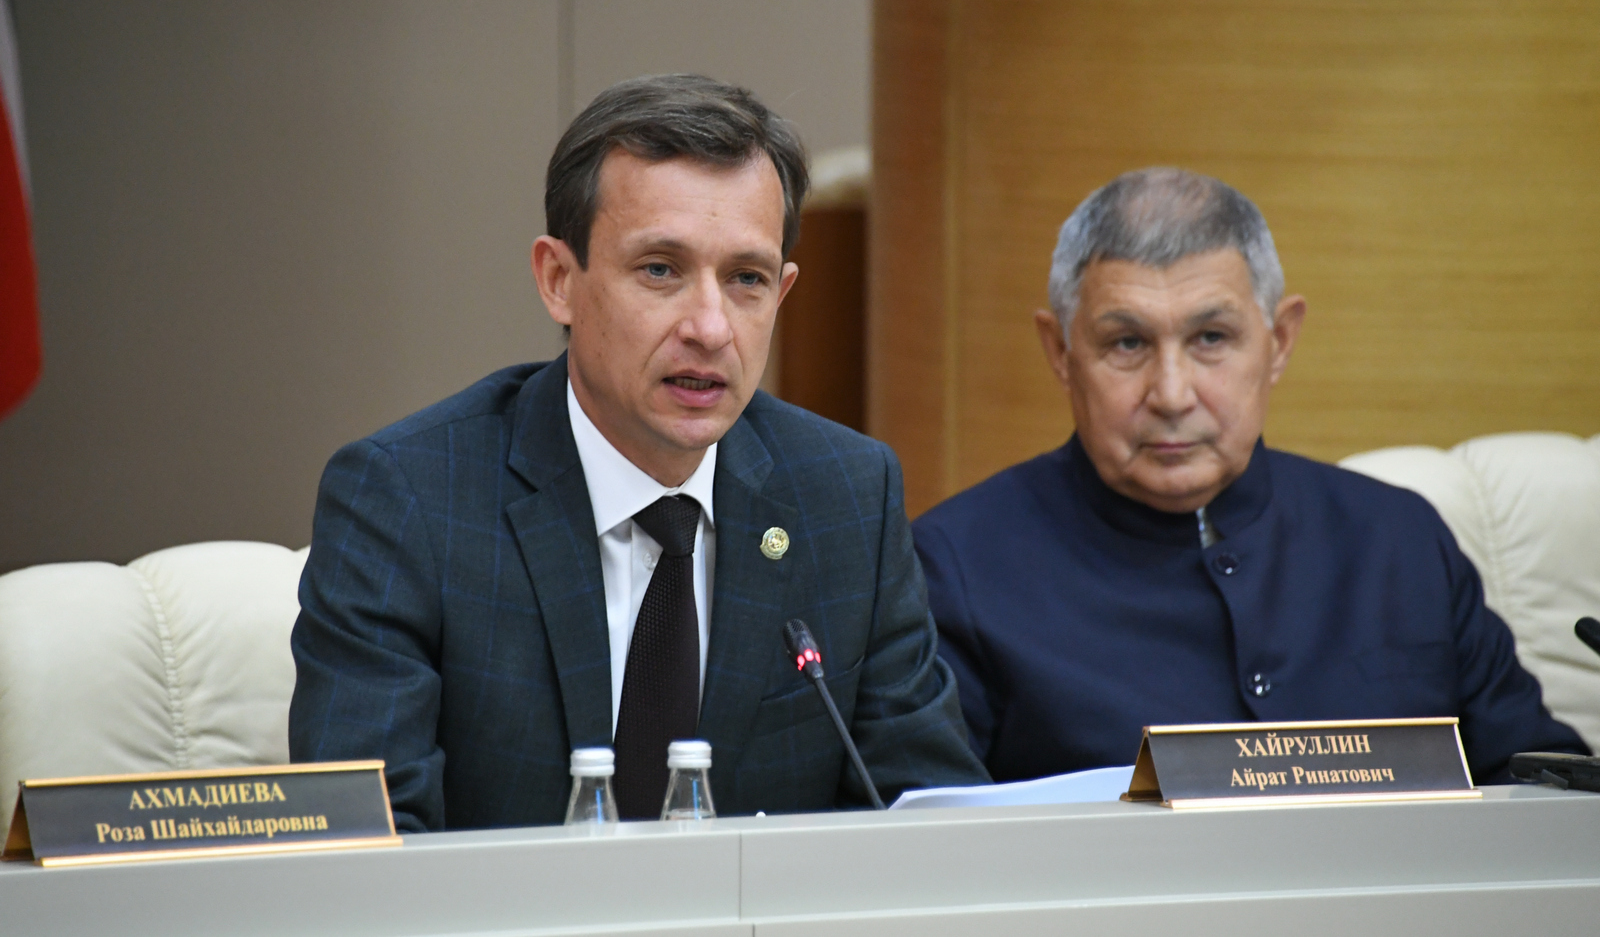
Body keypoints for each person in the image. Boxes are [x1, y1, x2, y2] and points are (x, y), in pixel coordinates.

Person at [290, 75, 986, 831]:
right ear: (559, 280)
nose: (711, 328)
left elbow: (928, 822)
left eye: (746, 279)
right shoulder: (408, 500)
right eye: (660, 269)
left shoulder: (847, 497)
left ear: (782, 293)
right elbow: (367, 845)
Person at [914, 166, 1586, 785]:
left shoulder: (1397, 537)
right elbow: (930, 837)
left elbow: (1541, 786)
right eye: (1127, 343)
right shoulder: (956, 568)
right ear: (1061, 352)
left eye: (1211, 338)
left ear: (1280, 341)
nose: (1172, 393)